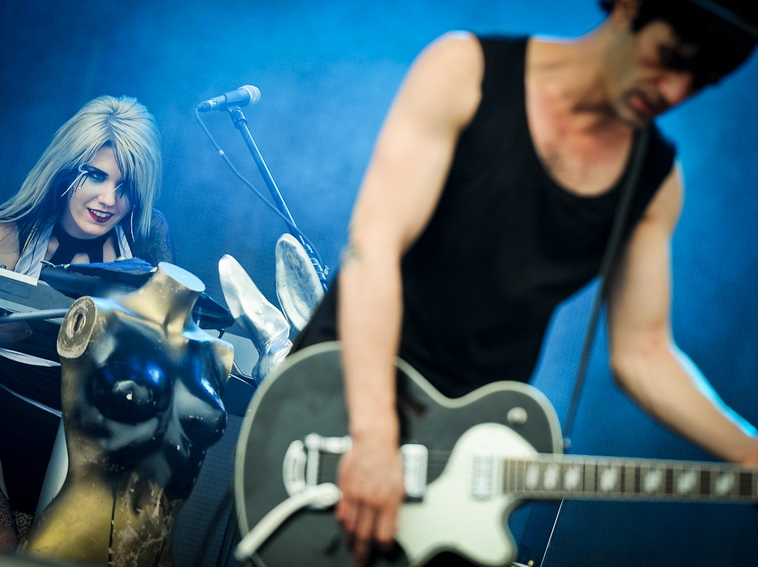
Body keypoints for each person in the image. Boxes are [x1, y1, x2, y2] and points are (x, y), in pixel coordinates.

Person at [291, 0, 758, 565]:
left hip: (468, 454)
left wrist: (751, 453)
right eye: (670, 57)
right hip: (337, 410)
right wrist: (372, 435)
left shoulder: (655, 182)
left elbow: (644, 354)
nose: (675, 90)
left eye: (699, 81)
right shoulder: (464, 70)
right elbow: (374, 248)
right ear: (630, 7)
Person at [0, 95, 174, 553]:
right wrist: (5, 323)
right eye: (95, 175)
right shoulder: (6, 236)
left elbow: (151, 375)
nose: (109, 199)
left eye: (125, 186)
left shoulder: (145, 248)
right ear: (66, 169)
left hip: (66, 446)